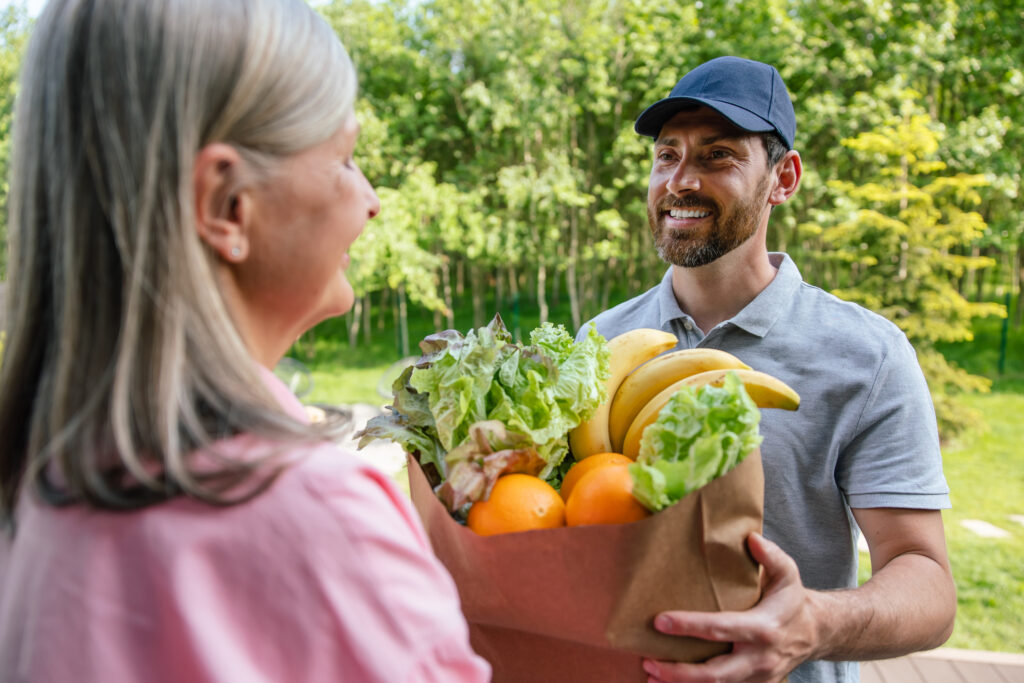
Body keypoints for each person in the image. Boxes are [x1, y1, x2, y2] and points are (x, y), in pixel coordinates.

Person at [0, 1, 490, 681]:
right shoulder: (314, 514)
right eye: (345, 160)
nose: (371, 199)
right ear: (227, 205)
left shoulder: (38, 489)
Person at [578, 56, 955, 683]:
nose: (679, 181)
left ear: (784, 178)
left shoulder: (868, 355)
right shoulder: (600, 344)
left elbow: (927, 582)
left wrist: (813, 623)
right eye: (666, 156)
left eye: (717, 156)